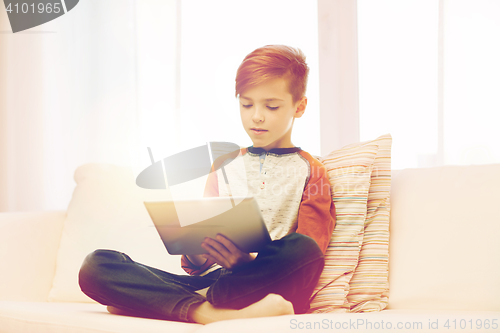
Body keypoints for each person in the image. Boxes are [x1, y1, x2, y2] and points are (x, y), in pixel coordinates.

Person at [78, 44, 336, 324]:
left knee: (303, 248)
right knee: (97, 265)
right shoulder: (224, 165)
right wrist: (197, 251)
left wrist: (246, 263)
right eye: (246, 104)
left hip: (265, 286)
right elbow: (197, 266)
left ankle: (157, 303)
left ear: (299, 107)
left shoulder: (312, 171)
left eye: (271, 106)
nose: (256, 116)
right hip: (215, 287)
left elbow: (310, 257)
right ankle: (208, 313)